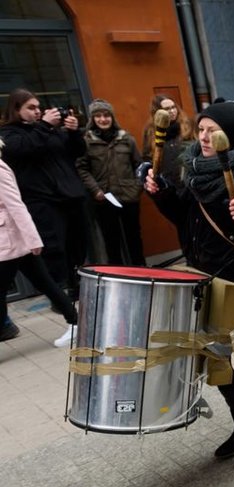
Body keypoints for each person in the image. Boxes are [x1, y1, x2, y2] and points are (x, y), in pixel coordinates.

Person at [143, 100, 234, 466]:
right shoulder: (195, 169)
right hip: (204, 281)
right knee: (216, 361)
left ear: (233, 135)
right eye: (202, 129)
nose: (205, 137)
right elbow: (183, 218)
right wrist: (160, 194)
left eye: (213, 131)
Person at [1, 88, 88, 313]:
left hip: (70, 196)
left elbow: (77, 152)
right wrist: (46, 126)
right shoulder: (10, 134)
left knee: (77, 244)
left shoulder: (49, 131)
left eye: (38, 107)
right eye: (31, 108)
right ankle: (59, 296)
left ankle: (77, 286)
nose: (37, 112)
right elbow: (24, 148)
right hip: (42, 201)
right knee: (54, 249)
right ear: (16, 109)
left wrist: (73, 132)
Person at [0, 138, 79, 346]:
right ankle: (76, 322)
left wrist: (33, 238)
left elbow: (15, 205)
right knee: (44, 282)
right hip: (11, 241)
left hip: (10, 241)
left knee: (41, 282)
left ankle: (76, 323)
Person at [76, 98, 145, 265]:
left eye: (106, 115)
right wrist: (96, 190)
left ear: (112, 117)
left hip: (128, 196)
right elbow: (82, 169)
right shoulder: (86, 141)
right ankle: (118, 274)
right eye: (98, 116)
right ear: (93, 119)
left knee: (134, 237)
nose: (103, 119)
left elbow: (139, 165)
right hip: (103, 198)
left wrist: (137, 187)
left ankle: (141, 270)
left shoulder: (126, 138)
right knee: (111, 239)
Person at [142, 95, 196, 193]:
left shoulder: (188, 126)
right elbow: (147, 158)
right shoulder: (150, 132)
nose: (172, 111)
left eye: (173, 107)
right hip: (168, 187)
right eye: (166, 109)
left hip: (190, 184)